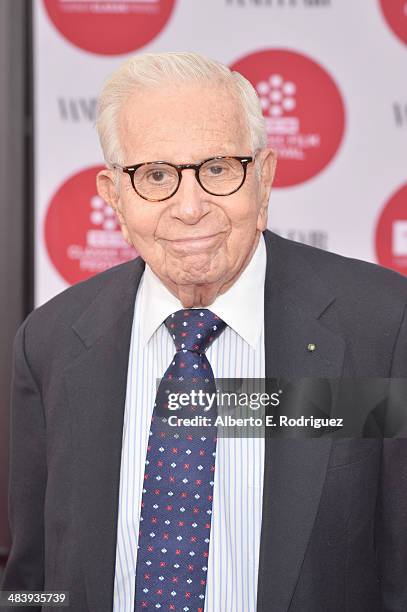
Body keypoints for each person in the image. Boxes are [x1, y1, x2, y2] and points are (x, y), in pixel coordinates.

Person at [1, 51, 407, 612]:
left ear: (263, 181)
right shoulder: (48, 343)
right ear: (115, 198)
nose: (189, 208)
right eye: (156, 175)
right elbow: (32, 580)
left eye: (217, 169)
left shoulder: (381, 329)